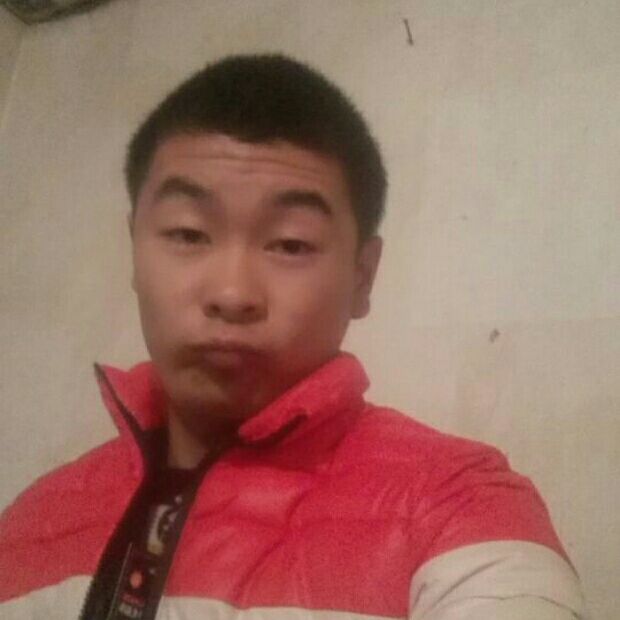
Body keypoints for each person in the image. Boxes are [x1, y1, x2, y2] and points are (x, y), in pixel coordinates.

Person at [0, 54, 585, 620]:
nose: (232, 293)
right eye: (187, 233)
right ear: (134, 249)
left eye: (290, 243)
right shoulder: (28, 523)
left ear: (362, 278)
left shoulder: (462, 505)